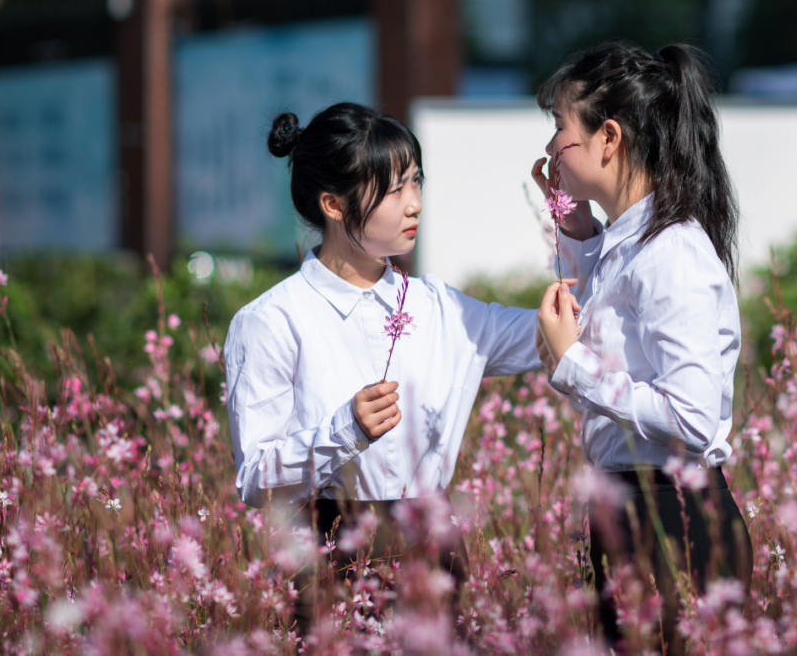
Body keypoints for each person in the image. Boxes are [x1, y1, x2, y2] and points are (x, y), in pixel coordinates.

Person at [223, 102, 553, 632]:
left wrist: (576, 229)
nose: (415, 203)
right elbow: (255, 479)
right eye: (394, 189)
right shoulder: (272, 320)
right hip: (332, 551)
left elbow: (558, 331)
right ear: (334, 203)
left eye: (416, 182)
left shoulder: (441, 309)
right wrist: (344, 431)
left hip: (435, 549)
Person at [530, 42, 754, 652]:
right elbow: (616, 323)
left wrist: (574, 365)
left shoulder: (670, 253)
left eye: (559, 127)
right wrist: (574, 226)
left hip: (672, 516)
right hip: (635, 505)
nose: (550, 146)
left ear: (608, 137)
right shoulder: (629, 244)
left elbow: (691, 417)